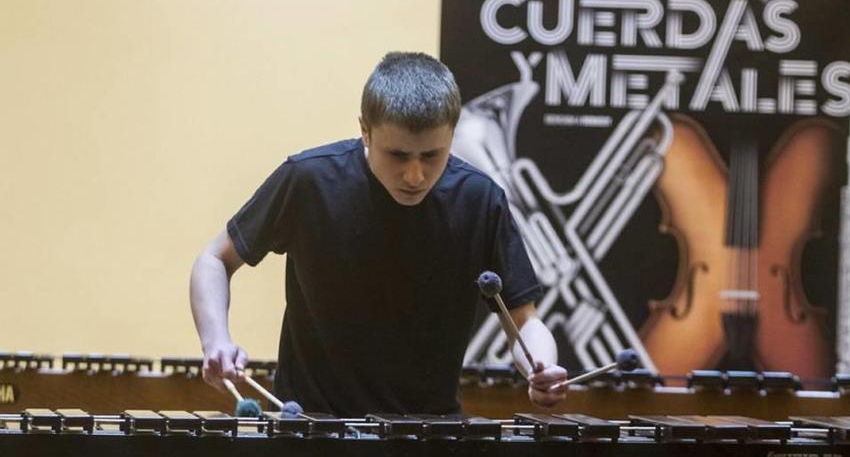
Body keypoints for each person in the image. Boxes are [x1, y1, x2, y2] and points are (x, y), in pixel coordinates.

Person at [189, 52, 567, 416]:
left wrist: (540, 365)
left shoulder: (480, 200)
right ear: (365, 131)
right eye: (399, 155)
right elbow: (215, 260)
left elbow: (524, 323)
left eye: (432, 155)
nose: (415, 175)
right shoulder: (309, 181)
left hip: (427, 434)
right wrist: (216, 341)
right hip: (308, 429)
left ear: (452, 134)